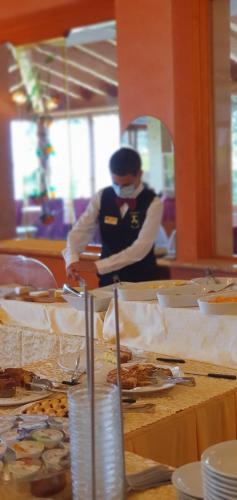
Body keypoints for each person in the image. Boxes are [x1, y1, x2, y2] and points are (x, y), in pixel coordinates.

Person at [63, 147, 163, 286]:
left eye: (126, 185)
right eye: (116, 184)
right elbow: (80, 231)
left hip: (141, 284)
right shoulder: (102, 196)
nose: (120, 189)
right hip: (107, 282)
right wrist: (72, 259)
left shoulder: (153, 203)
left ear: (139, 174)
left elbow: (140, 249)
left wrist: (97, 266)